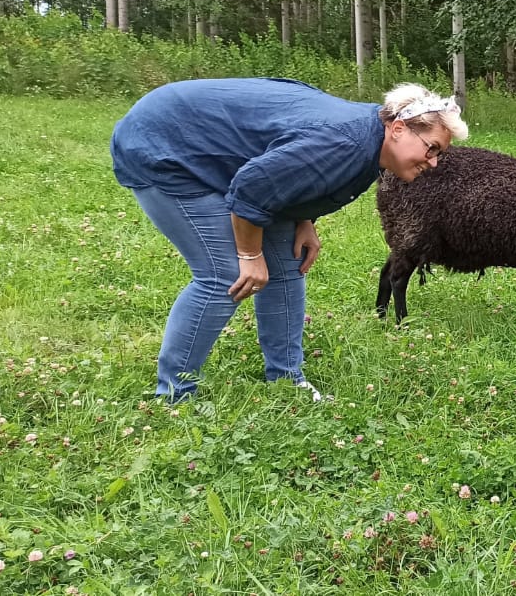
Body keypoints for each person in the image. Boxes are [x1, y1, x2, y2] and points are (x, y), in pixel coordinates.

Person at [111, 78, 468, 402]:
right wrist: (249, 254)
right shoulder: (344, 143)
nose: (435, 162)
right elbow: (252, 189)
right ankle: (174, 394)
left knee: (286, 262)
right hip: (163, 144)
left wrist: (303, 220)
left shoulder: (370, 141)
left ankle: (286, 379)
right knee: (224, 274)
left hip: (202, 143)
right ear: (399, 128)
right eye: (432, 148)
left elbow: (295, 170)